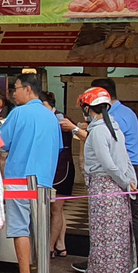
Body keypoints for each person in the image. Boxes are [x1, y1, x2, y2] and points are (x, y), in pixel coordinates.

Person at [0, 74, 60, 273]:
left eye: (15, 89)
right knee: (40, 229)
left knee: (20, 229)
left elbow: (0, 142)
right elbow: (57, 148)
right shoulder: (51, 116)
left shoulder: (19, 113)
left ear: (28, 89)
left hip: (19, 180)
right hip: (43, 182)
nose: (13, 94)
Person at [78, 87, 138, 273]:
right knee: (117, 238)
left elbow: (108, 164)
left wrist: (123, 180)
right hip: (118, 190)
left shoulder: (98, 131)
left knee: (104, 238)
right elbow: (125, 158)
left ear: (87, 108)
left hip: (104, 188)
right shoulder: (114, 127)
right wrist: (130, 181)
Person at [43, 89, 77, 260]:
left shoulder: (61, 120)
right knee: (58, 210)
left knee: (56, 209)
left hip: (62, 170)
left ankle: (49, 247)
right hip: (53, 168)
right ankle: (61, 245)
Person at [93, 77, 138, 170]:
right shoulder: (126, 111)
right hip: (131, 165)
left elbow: (105, 142)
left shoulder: (114, 117)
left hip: (126, 168)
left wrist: (76, 130)